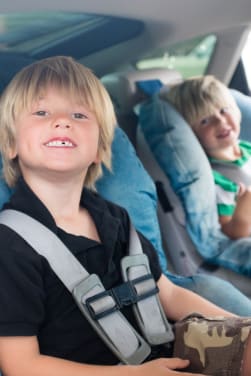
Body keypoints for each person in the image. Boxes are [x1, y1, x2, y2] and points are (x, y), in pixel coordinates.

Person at [0, 56, 251, 376]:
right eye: (41, 112)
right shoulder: (10, 246)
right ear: (10, 145)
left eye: (79, 114)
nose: (63, 121)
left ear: (98, 150)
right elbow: (19, 365)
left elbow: (166, 292)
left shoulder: (113, 217)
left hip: (159, 353)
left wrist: (241, 326)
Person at [163, 75, 251, 240]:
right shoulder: (215, 180)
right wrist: (243, 217)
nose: (220, 121)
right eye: (204, 120)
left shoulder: (248, 147)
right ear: (190, 133)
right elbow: (230, 233)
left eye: (224, 110)